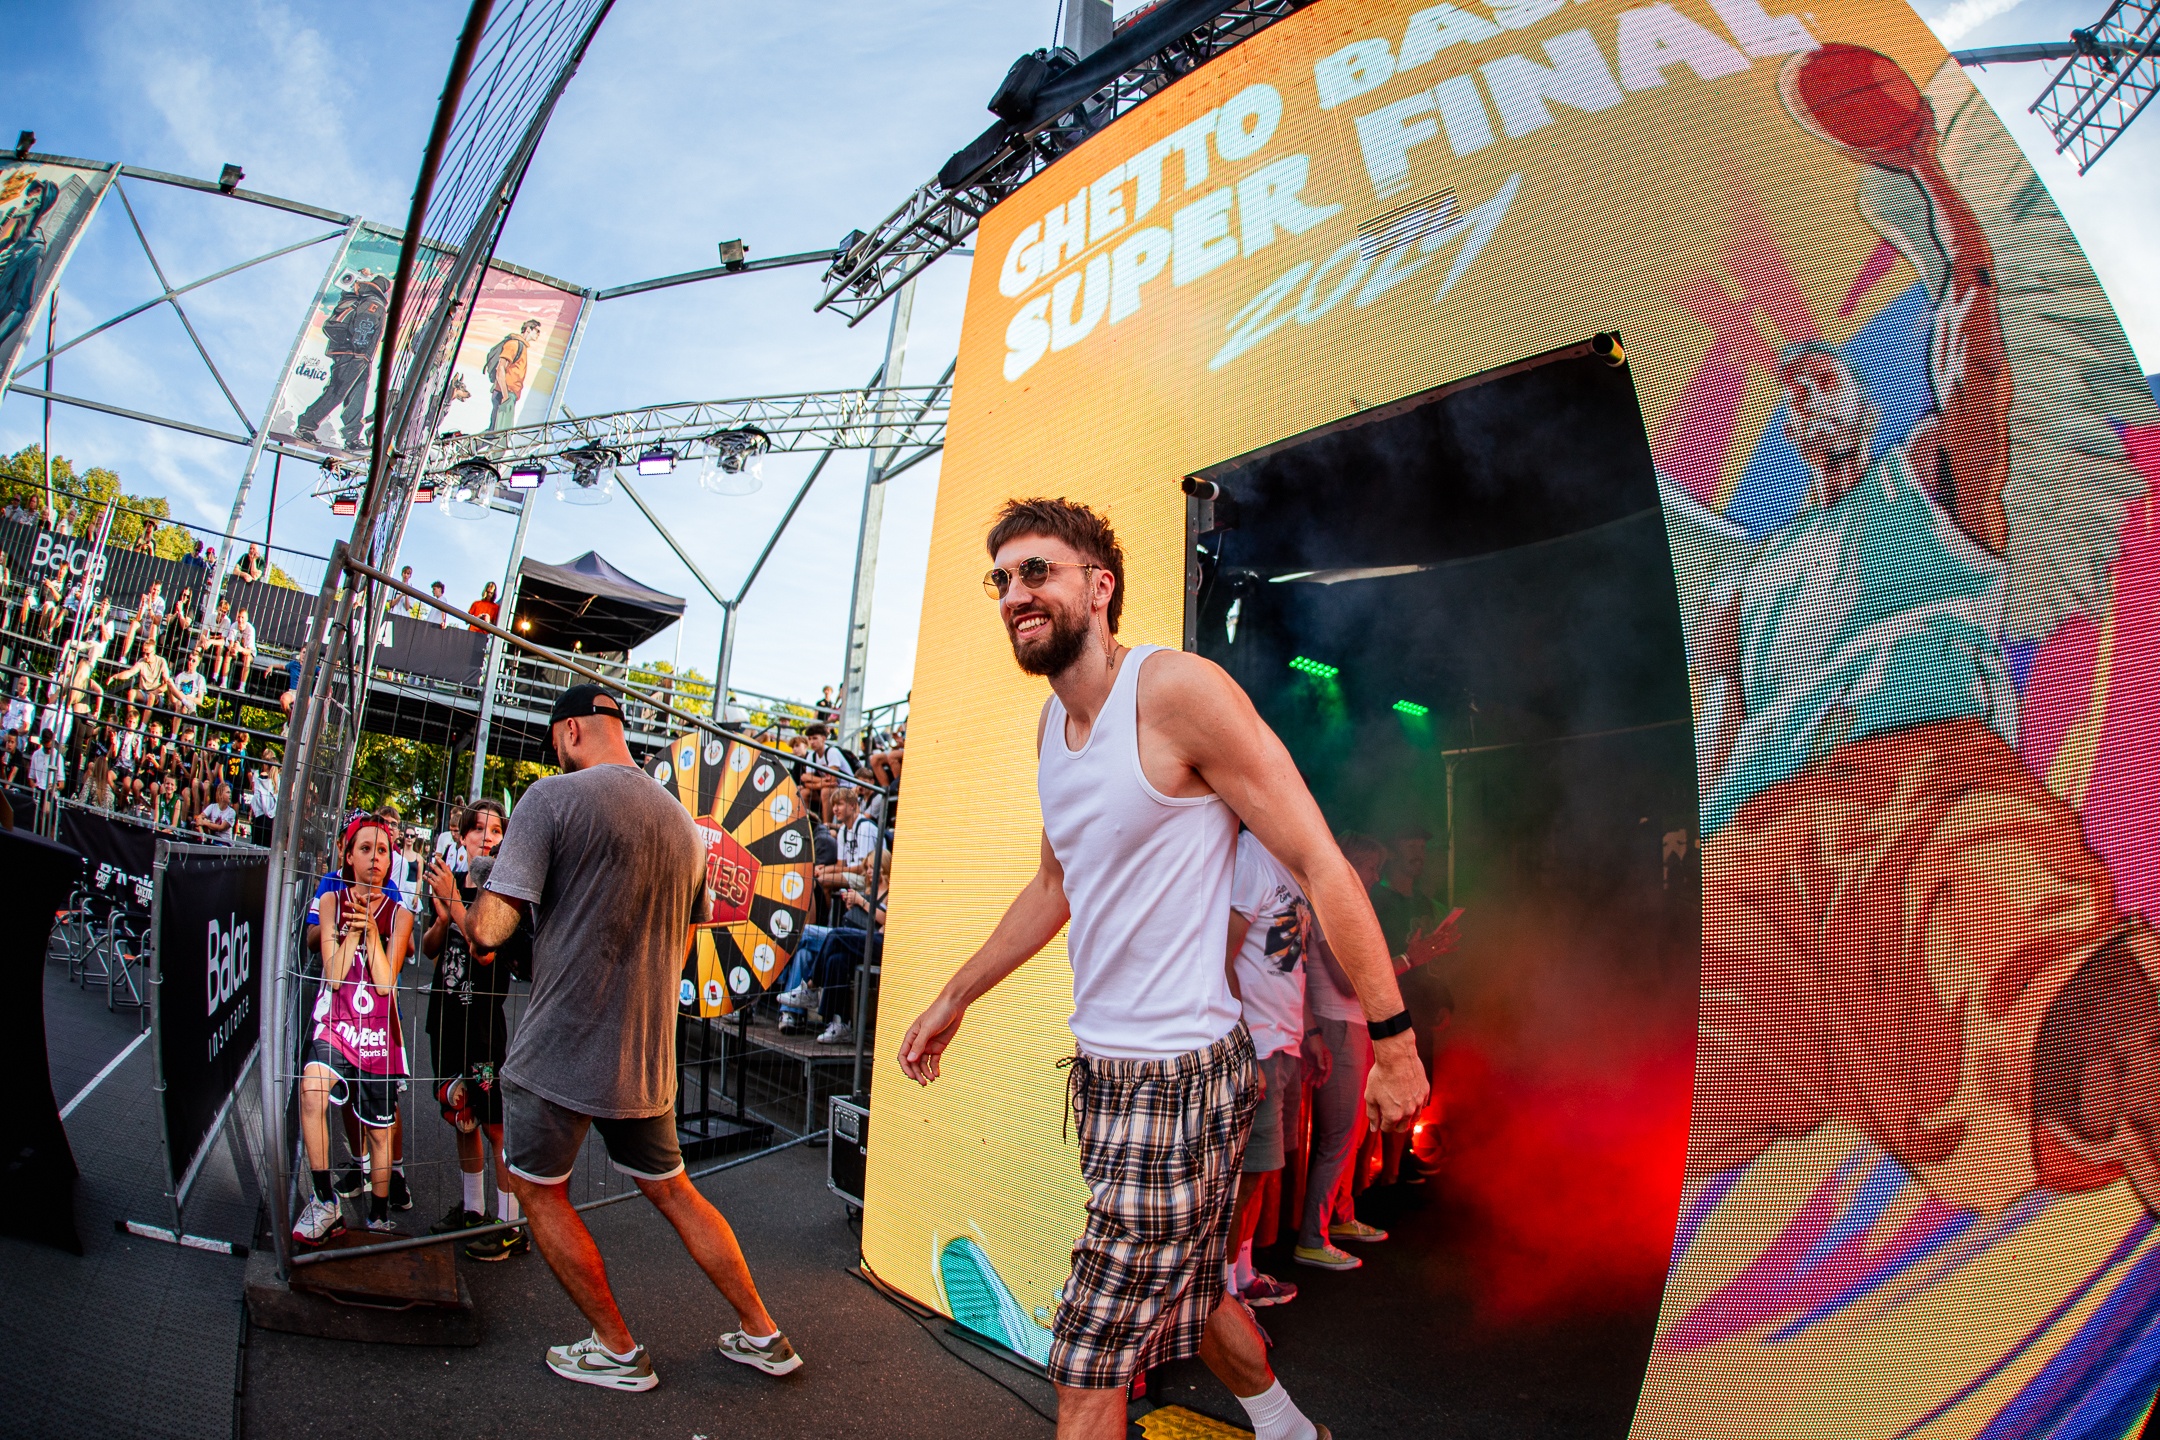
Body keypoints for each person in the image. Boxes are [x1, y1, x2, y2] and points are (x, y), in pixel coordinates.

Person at [898, 498, 1426, 1440]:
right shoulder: (1053, 729)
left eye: (1037, 571)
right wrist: (955, 996)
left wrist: (1393, 1041)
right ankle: (1290, 1430)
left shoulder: (1176, 691)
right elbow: (1055, 885)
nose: (1015, 593)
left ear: (1099, 587)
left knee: (1085, 1362)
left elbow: (1320, 864)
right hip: (1107, 1077)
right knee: (1191, 1289)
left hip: (1178, 1080)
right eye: (1003, 579)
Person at [463, 683, 803, 1392]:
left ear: (570, 732)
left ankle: (618, 1350)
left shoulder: (550, 798)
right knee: (676, 1192)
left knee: (537, 1191)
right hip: (645, 1055)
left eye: (555, 741)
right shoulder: (682, 824)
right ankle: (764, 1335)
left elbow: (489, 931)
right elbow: (684, 936)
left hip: (559, 1047)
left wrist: (478, 884)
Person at [292, 815, 415, 1245]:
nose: (375, 858)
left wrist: (372, 934)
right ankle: (324, 1202)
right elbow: (334, 974)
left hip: (376, 1033)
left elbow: (384, 983)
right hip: (336, 1021)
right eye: (365, 848)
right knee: (311, 1092)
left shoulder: (400, 914)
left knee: (380, 1133)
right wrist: (351, 933)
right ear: (348, 856)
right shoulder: (331, 900)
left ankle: (378, 1217)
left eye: (382, 850)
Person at [1222, 828, 1331, 1308]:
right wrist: (1246, 1052)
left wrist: (1309, 1035)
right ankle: (1225, 1298)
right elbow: (1220, 957)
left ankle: (1243, 1275)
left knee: (1262, 1172)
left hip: (1282, 1044)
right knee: (1243, 1179)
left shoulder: (1289, 868)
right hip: (1258, 1047)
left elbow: (1290, 965)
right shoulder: (1252, 856)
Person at [422, 800, 527, 1255]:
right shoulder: (451, 885)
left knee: (494, 1124)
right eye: (478, 829)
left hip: (484, 1030)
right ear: (461, 837)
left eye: (495, 830)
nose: (486, 837)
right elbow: (430, 948)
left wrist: (452, 902)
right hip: (446, 1021)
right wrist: (443, 918)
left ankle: (510, 1223)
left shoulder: (501, 893)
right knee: (461, 1118)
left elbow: (484, 952)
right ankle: (472, 1211)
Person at [484, 319, 543, 431]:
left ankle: (475, 443)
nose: (538, 334)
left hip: (510, 394)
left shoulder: (522, 347)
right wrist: (505, 396)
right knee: (500, 434)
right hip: (504, 393)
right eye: (537, 331)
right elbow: (500, 368)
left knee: (498, 433)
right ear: (528, 329)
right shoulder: (514, 344)